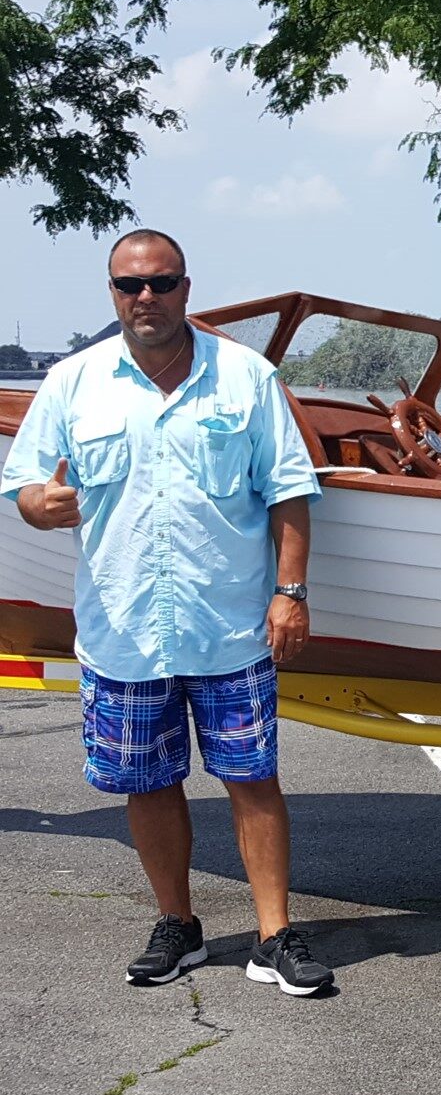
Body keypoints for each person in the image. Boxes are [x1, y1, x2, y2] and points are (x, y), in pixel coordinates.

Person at [1, 229, 334, 996]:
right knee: (146, 782)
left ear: (187, 289)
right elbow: (25, 485)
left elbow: (288, 490)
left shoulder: (247, 378)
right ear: (111, 292)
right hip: (121, 628)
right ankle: (177, 925)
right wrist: (38, 506)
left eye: (160, 283)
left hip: (229, 627)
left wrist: (290, 594)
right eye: (128, 285)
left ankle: (274, 935)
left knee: (254, 777)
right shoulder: (73, 382)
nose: (144, 297)